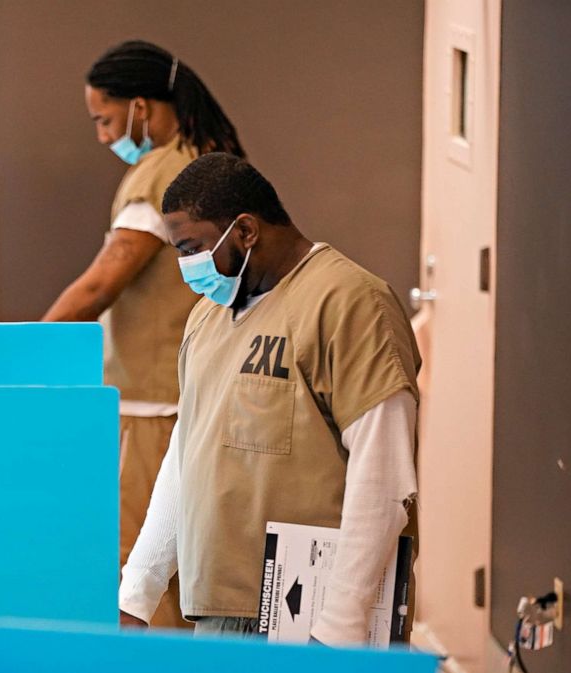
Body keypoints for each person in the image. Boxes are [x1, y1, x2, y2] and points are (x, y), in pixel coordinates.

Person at [119, 152, 421, 645]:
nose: (185, 267)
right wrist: (136, 593)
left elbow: (383, 476)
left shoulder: (349, 303)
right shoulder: (208, 318)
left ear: (245, 231)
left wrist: (341, 627)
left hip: (314, 617)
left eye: (192, 247)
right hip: (221, 612)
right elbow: (185, 458)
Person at [42, 41, 245, 629]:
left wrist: (26, 352)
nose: (104, 136)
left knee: (144, 570)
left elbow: (101, 284)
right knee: (181, 564)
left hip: (154, 405)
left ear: (140, 106)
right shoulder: (206, 154)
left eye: (105, 120)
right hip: (191, 391)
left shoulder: (159, 172)